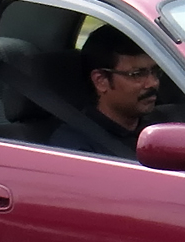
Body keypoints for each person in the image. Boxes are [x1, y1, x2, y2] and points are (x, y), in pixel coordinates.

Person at [48, 25, 162, 157]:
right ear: (101, 81)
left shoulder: (159, 128)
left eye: (155, 71)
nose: (153, 83)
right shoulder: (75, 148)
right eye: (137, 74)